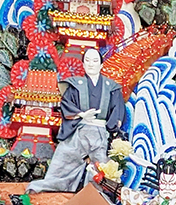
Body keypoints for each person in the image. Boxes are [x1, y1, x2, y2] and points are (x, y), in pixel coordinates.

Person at [31, 45, 125, 193]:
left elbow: (117, 111)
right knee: (63, 159)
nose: (91, 64)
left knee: (100, 169)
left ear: (101, 64)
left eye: (95, 61)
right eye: (87, 60)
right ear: (83, 64)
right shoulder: (76, 85)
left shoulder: (111, 87)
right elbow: (66, 104)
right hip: (79, 131)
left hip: (100, 134)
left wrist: (113, 127)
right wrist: (81, 115)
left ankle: (97, 199)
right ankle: (48, 189)